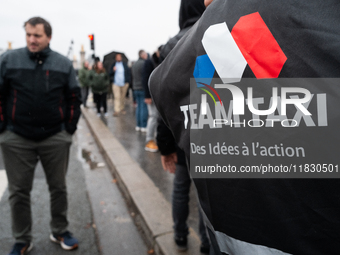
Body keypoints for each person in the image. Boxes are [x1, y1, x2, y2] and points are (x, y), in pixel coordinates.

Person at [150, 0, 340, 254]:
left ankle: (184, 236)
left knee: (189, 191)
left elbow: (165, 94)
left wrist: (167, 145)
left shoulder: (184, 51)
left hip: (230, 225)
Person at [0, 17, 81, 255]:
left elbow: (74, 97)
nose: (32, 40)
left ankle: (60, 230)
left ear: (49, 36)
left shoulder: (62, 63)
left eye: (37, 35)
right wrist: (2, 126)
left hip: (55, 137)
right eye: (28, 35)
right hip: (16, 137)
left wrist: (69, 129)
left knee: (58, 188)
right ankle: (22, 239)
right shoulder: (8, 60)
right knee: (18, 191)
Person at [154, 0, 210, 253]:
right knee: (206, 194)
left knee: (180, 187)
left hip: (181, 132)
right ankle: (207, 243)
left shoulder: (170, 46)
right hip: (210, 131)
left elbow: (165, 101)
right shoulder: (214, 32)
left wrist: (165, 146)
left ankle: (179, 235)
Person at [143, 47, 161, 152]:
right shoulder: (149, 62)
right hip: (151, 94)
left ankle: (155, 139)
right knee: (153, 116)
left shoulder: (159, 60)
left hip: (157, 94)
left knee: (157, 118)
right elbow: (145, 78)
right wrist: (147, 95)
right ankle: (149, 140)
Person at [131, 50, 148, 131]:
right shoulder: (144, 64)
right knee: (143, 107)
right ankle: (143, 126)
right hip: (142, 87)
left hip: (135, 88)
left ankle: (138, 125)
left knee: (138, 107)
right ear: (142, 55)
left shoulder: (134, 64)